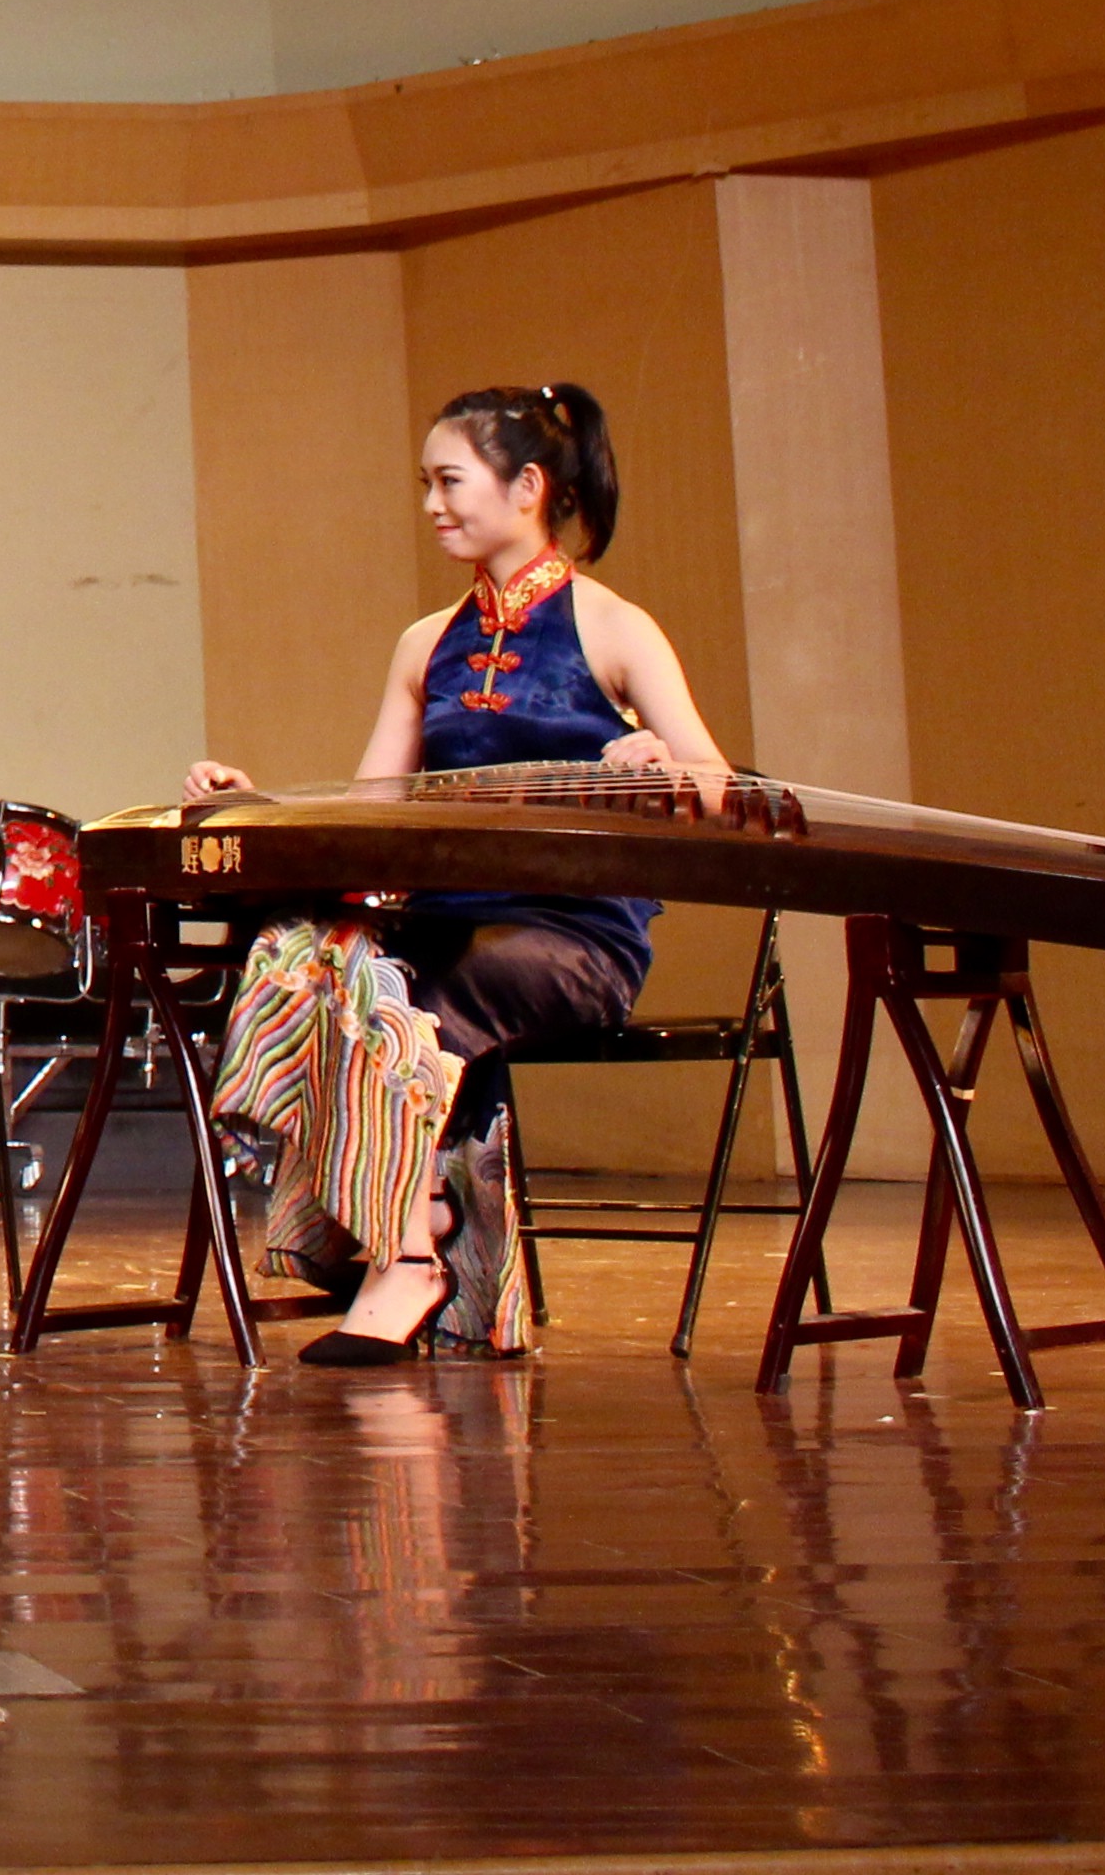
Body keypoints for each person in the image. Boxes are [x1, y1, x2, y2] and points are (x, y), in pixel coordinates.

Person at [181, 381, 732, 1367]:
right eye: (425, 485)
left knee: (397, 986)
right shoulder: (425, 644)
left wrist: (658, 764)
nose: (432, 505)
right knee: (301, 949)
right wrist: (253, 804)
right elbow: (368, 815)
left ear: (528, 488)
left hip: (571, 941)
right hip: (441, 928)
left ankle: (408, 1252)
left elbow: (716, 784)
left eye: (450, 482)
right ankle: (412, 1215)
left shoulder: (613, 627)